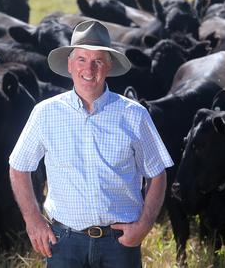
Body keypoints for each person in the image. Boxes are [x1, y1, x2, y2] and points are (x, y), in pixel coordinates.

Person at [9, 19, 173, 267]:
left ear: (108, 66)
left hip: (119, 241)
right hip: (64, 241)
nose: (89, 69)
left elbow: (157, 173)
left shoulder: (134, 114)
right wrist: (33, 220)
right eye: (82, 59)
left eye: (98, 61)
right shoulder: (45, 113)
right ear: (70, 65)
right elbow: (18, 167)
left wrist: (145, 224)